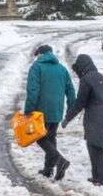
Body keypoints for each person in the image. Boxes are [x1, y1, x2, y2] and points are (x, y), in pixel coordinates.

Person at [62, 54, 103, 189]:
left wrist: (67, 118)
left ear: (82, 67)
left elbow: (80, 103)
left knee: (96, 149)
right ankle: (97, 177)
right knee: (94, 147)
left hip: (95, 117)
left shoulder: (86, 80)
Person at [24, 44, 76, 181]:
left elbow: (32, 91)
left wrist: (29, 110)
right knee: (51, 138)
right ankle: (48, 170)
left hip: (40, 112)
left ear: (40, 54)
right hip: (57, 110)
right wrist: (71, 108)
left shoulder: (36, 67)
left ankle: (60, 161)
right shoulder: (62, 69)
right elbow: (71, 91)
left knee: (39, 137)